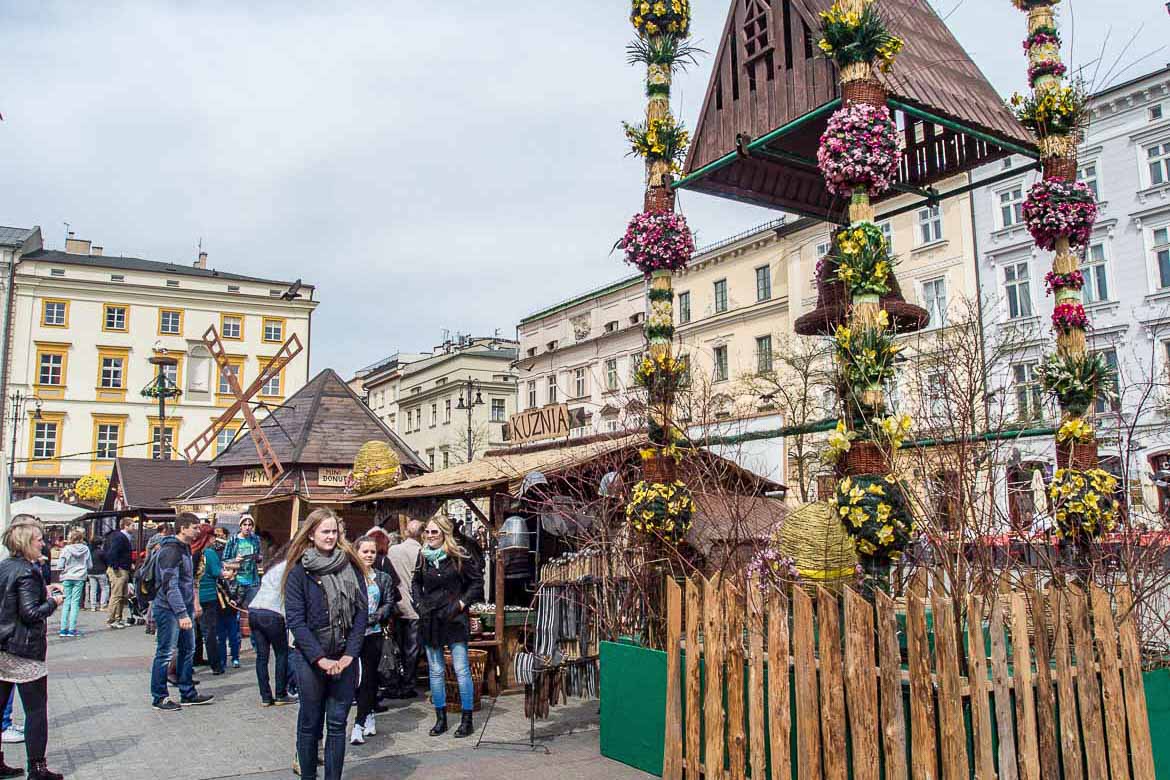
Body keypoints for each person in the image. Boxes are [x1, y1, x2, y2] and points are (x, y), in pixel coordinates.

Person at [284, 508, 368, 780]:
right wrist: (320, 659)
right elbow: (296, 621)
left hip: (344, 654)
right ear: (311, 534)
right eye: (325, 531)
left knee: (337, 723)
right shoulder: (299, 572)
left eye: (334, 531)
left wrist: (348, 656)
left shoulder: (352, 566)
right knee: (310, 722)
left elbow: (361, 614)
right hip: (311, 657)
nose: (331, 537)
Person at [0, 520, 65, 779]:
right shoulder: (27, 571)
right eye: (39, 539)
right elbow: (30, 613)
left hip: (4, 645)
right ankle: (37, 767)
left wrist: (43, 592)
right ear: (27, 543)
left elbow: (13, 600)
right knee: (36, 711)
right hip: (23, 649)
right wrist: (52, 602)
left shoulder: (5, 566)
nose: (43, 543)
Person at [413, 516, 484, 739]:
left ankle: (466, 719)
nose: (430, 536)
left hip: (454, 616)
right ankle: (441, 718)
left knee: (461, 669)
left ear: (444, 533)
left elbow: (477, 583)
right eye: (427, 532)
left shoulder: (458, 555)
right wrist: (419, 603)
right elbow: (415, 582)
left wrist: (462, 603)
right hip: (431, 617)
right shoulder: (422, 557)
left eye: (435, 532)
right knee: (435, 671)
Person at [149, 515, 214, 711]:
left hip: (182, 608)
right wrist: (181, 613)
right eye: (194, 527)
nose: (198, 531)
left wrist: (190, 606)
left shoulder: (185, 548)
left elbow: (188, 581)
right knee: (165, 652)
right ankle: (159, 697)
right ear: (182, 528)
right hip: (169, 609)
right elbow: (170, 585)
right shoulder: (171, 550)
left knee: (188, 650)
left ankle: (188, 692)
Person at [350, 535, 399, 745]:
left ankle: (360, 722)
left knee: (369, 679)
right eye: (365, 552)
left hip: (374, 634)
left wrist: (374, 617)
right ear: (356, 553)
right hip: (352, 635)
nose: (369, 555)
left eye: (373, 552)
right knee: (354, 680)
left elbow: (389, 602)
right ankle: (367, 711)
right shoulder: (349, 576)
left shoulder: (383, 577)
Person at [248, 543, 294, 707]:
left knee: (262, 657)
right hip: (273, 612)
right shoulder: (290, 567)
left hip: (254, 610)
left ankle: (266, 697)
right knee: (281, 654)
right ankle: (281, 694)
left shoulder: (273, 566)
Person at [386, 520, 422, 699]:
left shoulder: (393, 551)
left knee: (396, 648)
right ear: (422, 534)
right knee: (412, 650)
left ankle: (394, 682)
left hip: (396, 606)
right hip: (415, 608)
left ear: (407, 532)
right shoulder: (422, 552)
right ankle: (408, 684)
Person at [197, 525, 225, 675]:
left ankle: (197, 658)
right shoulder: (210, 552)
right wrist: (228, 572)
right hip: (208, 595)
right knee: (210, 631)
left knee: (195, 631)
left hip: (195, 596)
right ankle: (216, 664)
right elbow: (217, 572)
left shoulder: (193, 551)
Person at [56, 528, 90, 638]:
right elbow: (90, 565)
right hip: (79, 577)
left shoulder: (66, 549)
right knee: (75, 603)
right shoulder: (86, 549)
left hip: (67, 576)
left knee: (66, 603)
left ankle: (63, 629)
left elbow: (60, 565)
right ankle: (72, 629)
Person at [224, 515, 262, 606]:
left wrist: (257, 557)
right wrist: (235, 560)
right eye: (245, 525)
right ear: (240, 526)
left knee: (252, 608)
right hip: (236, 581)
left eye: (250, 525)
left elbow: (260, 557)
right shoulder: (233, 540)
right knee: (236, 609)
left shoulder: (255, 539)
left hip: (252, 580)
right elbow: (224, 561)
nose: (247, 527)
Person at [103, 518, 134, 629]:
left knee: (122, 595)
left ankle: (118, 618)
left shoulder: (125, 537)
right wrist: (115, 567)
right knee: (116, 595)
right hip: (119, 569)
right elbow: (113, 552)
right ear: (125, 526)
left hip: (123, 568)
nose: (133, 528)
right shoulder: (119, 537)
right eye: (132, 525)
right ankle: (111, 619)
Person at [85, 533, 109, 612]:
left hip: (91, 572)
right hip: (101, 572)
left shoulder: (89, 551)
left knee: (93, 589)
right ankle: (103, 605)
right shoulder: (101, 552)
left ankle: (93, 606)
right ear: (100, 544)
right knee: (105, 588)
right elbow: (106, 561)